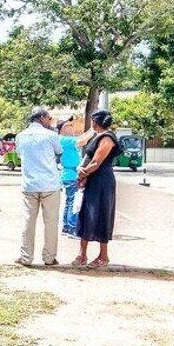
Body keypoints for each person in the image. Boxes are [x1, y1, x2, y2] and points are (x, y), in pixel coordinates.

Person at [14, 106, 63, 266]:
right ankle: (49, 258)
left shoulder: (20, 136)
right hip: (50, 184)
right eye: (49, 118)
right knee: (51, 222)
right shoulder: (51, 135)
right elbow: (59, 152)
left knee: (28, 221)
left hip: (30, 184)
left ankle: (26, 257)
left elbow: (19, 155)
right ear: (42, 118)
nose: (50, 121)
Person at [73, 109, 120, 268]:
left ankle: (103, 256)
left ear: (96, 121)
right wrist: (83, 174)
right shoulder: (96, 136)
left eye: (92, 120)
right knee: (85, 213)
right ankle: (82, 253)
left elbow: (96, 163)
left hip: (102, 181)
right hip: (92, 179)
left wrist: (82, 174)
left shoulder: (107, 138)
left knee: (101, 214)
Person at [57, 118, 81, 236]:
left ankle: (66, 226)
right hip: (71, 175)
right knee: (73, 202)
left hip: (69, 174)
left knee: (69, 201)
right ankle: (72, 228)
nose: (72, 127)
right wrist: (93, 130)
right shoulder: (64, 140)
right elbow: (82, 141)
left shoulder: (67, 139)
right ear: (64, 129)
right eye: (69, 125)